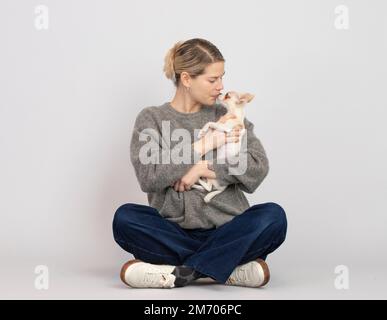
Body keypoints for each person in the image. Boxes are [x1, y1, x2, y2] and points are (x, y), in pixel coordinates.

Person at [112, 38, 287, 289]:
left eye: (222, 78)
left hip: (228, 230)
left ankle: (182, 272)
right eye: (212, 80)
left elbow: (257, 168)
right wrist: (201, 147)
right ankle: (225, 269)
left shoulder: (227, 115)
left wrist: (207, 170)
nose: (221, 87)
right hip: (172, 233)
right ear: (186, 79)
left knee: (273, 217)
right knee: (125, 218)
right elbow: (149, 176)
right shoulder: (152, 118)